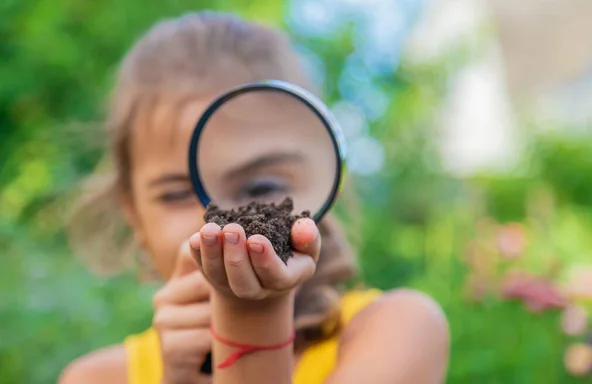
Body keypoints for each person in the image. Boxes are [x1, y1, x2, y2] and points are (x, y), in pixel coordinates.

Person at [59, 11, 449, 384]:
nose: (221, 218)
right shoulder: (95, 378)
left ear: (327, 184)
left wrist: (249, 318)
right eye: (176, 193)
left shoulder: (395, 331)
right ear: (134, 217)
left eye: (262, 189)